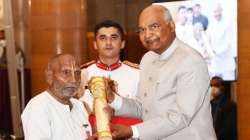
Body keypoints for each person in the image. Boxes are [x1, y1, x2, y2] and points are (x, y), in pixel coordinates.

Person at [104, 5, 216, 140]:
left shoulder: (191, 60)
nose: (147, 35)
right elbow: (143, 108)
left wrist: (132, 131)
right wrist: (112, 98)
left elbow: (181, 116)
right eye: (142, 30)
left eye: (154, 27)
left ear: (172, 26)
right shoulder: (147, 59)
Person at [21, 54, 93, 140]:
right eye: (66, 72)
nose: (74, 80)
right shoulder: (38, 107)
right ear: (49, 76)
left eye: (77, 73)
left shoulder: (79, 106)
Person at [78, 20, 140, 112]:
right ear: (95, 44)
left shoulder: (137, 74)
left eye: (114, 38)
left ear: (122, 44)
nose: (108, 43)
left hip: (127, 125)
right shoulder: (83, 75)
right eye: (102, 38)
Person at [207, 2, 236, 80]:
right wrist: (209, 50)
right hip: (216, 64)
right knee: (215, 88)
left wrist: (215, 52)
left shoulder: (228, 22)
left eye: (218, 11)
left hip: (227, 63)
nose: (216, 14)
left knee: (229, 86)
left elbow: (228, 43)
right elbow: (208, 40)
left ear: (221, 10)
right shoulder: (211, 24)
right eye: (214, 12)